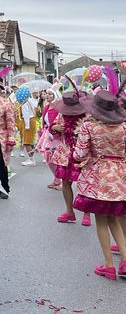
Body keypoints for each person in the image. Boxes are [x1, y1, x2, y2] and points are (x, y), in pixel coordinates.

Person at [72, 91, 126, 280]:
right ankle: (125, 261)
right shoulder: (124, 128)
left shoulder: (89, 127)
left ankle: (109, 265)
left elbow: (79, 155)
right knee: (114, 218)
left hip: (98, 177)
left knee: (102, 221)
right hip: (120, 177)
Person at [50, 92, 88, 225]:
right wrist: (55, 127)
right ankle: (69, 211)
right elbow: (53, 127)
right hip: (66, 152)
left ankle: (86, 213)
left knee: (85, 183)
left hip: (83, 154)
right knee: (66, 182)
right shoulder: (62, 114)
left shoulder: (87, 115)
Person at [37, 88, 63, 189]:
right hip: (47, 135)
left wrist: (55, 129)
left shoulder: (58, 108)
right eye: (47, 94)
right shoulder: (46, 107)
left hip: (57, 136)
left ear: (55, 95)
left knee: (57, 158)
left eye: (50, 94)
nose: (47, 96)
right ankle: (56, 179)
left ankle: (61, 180)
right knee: (48, 158)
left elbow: (60, 122)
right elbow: (45, 122)